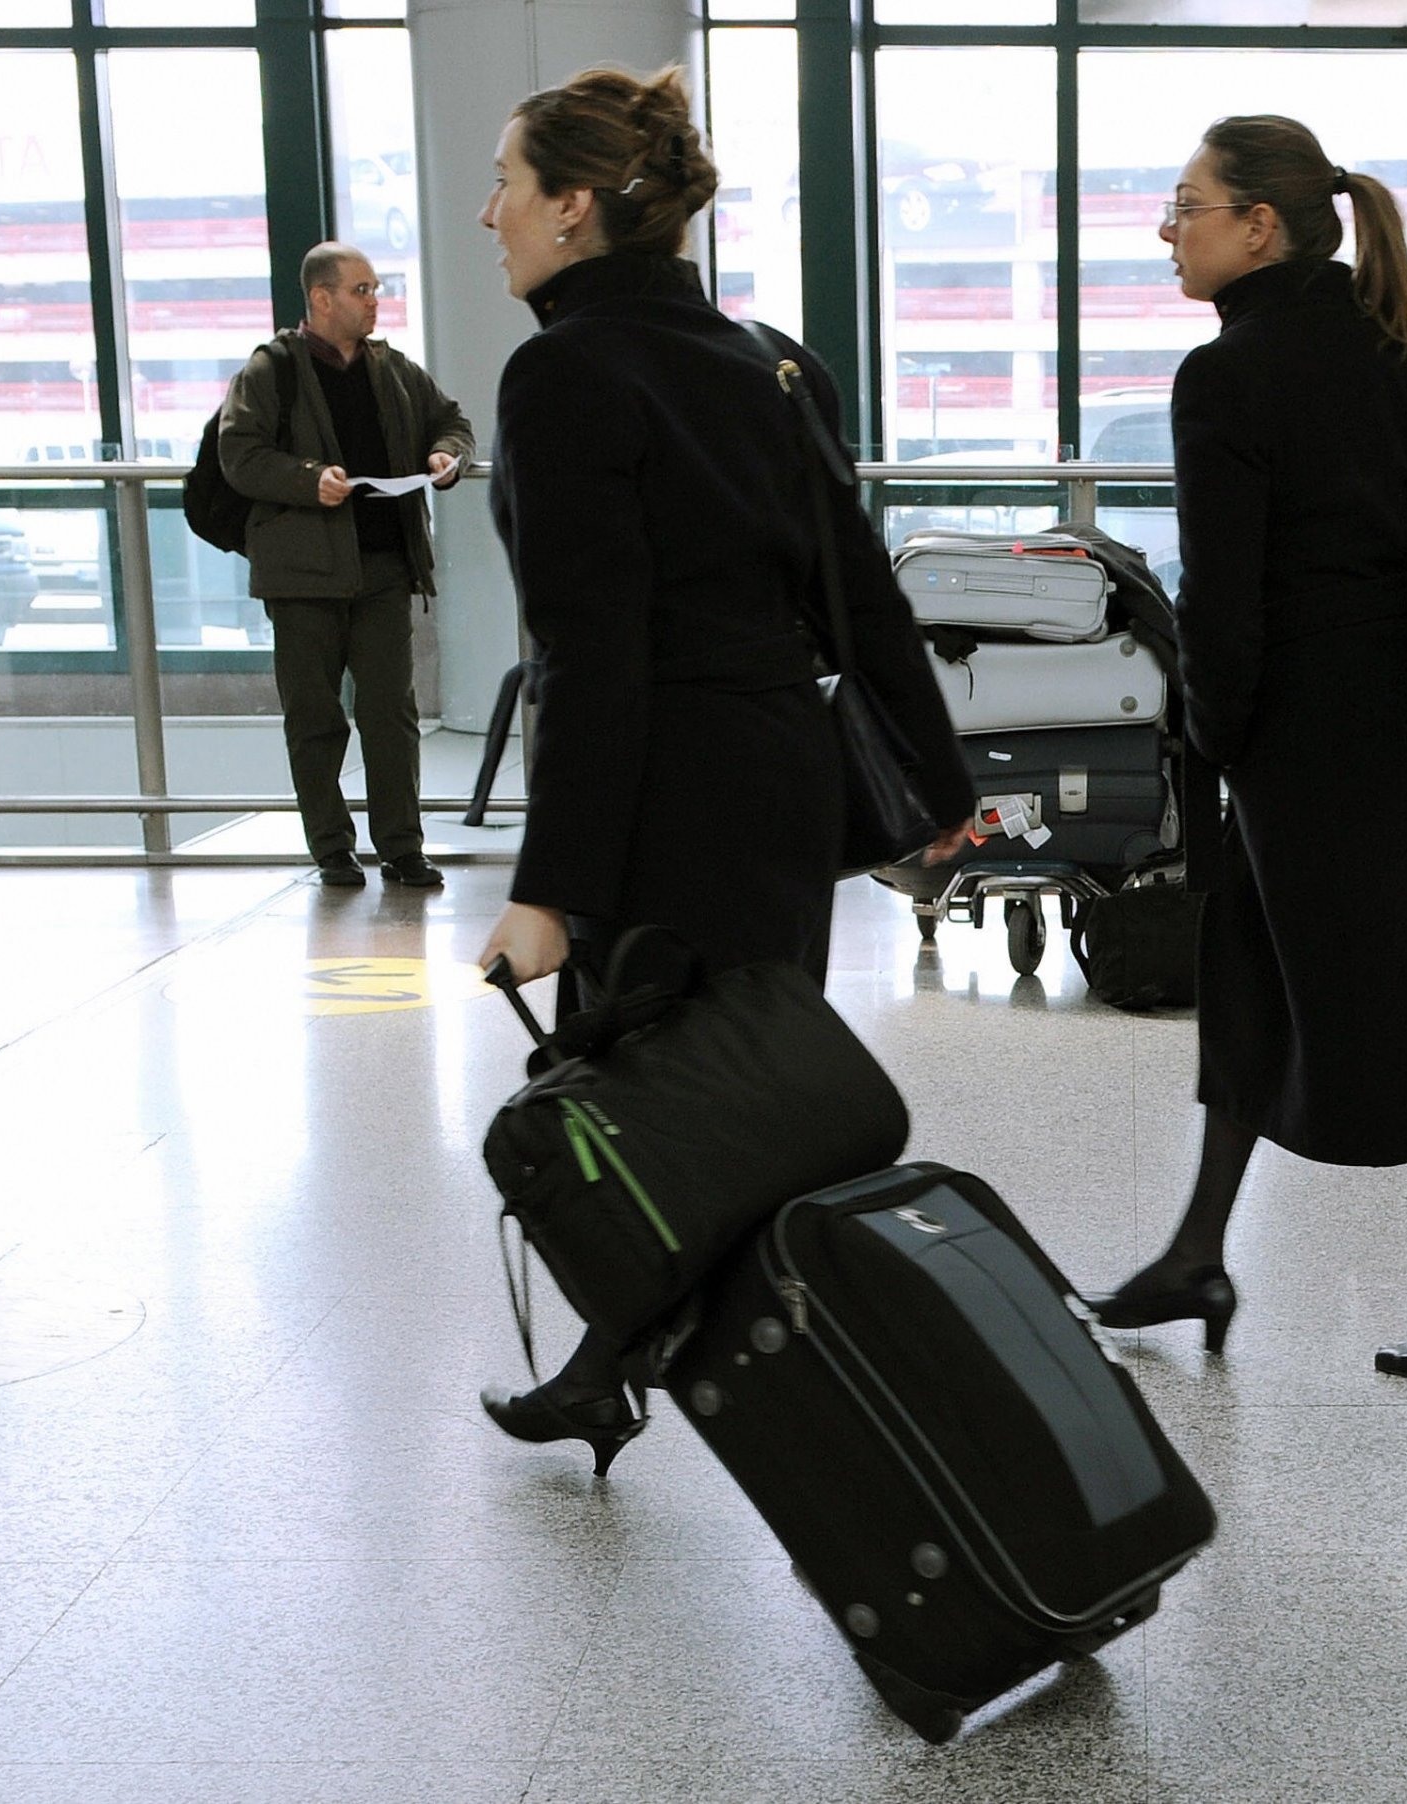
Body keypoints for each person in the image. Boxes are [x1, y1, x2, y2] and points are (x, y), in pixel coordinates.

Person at [471, 66, 973, 1473]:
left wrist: (550, 890)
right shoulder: (769, 357)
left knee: (661, 1112)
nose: (486, 213)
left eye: (507, 183)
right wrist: (933, 786)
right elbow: (859, 588)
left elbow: (593, 658)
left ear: (574, 209)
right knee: (742, 1094)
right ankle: (604, 1368)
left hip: (662, 797)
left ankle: (871, 1419)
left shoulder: (565, 372)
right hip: (775, 784)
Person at [1091, 115, 1407, 1388]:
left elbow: (1223, 594)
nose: (1168, 230)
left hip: (1304, 740)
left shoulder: (1228, 376)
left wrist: (1211, 739)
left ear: (1258, 226)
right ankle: (1200, 1250)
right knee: (1256, 969)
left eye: (1185, 204)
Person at [218, 242, 474, 888]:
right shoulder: (270, 370)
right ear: (322, 298)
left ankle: (401, 846)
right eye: (361, 289)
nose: (374, 300)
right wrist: (309, 480)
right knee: (314, 716)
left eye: (375, 288)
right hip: (303, 578)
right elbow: (240, 455)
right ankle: (332, 847)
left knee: (392, 713)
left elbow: (451, 421)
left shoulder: (392, 369)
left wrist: (447, 456)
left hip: (384, 568)